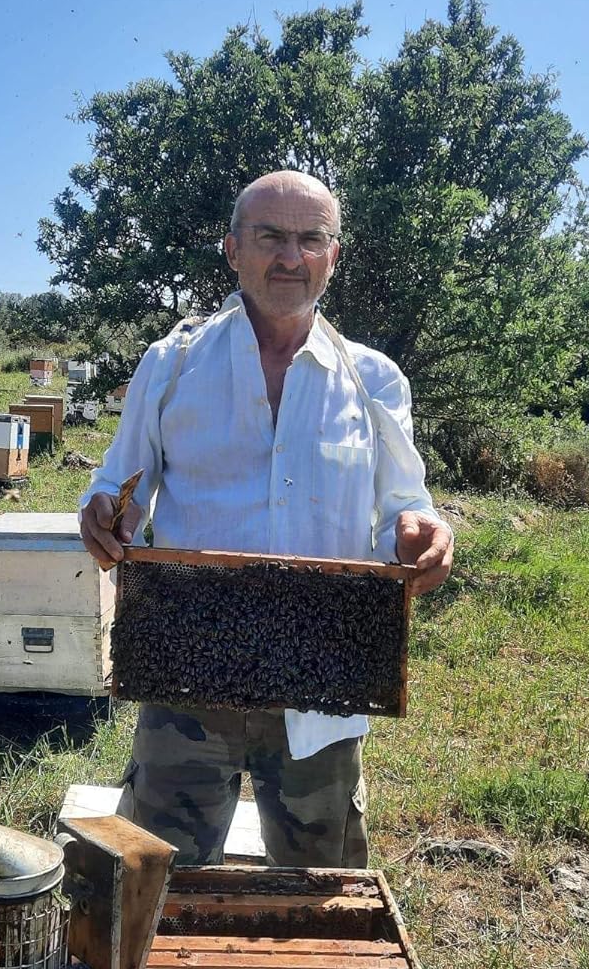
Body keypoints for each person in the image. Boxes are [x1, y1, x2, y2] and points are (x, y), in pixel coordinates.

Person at [78, 170, 453, 868]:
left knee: (323, 895)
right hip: (186, 680)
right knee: (156, 885)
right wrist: (102, 514)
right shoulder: (171, 364)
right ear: (232, 250)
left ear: (333, 256)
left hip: (323, 693)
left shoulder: (375, 381)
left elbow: (405, 507)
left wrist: (421, 536)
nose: (291, 257)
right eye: (271, 237)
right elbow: (117, 486)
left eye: (311, 239)